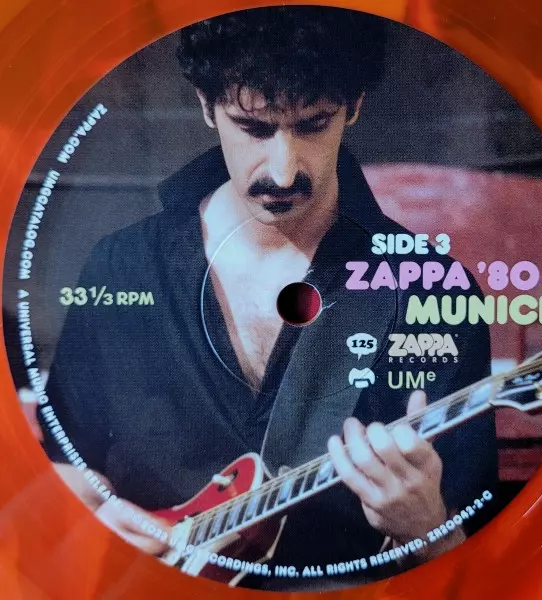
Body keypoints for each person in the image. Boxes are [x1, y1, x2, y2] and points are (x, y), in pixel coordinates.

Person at [41, 7, 498, 591]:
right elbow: (65, 473)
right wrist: (94, 523)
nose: (283, 172)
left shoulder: (429, 289)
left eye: (313, 125)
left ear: (354, 106)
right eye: (253, 128)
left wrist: (428, 528)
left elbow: (492, 573)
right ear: (206, 106)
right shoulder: (122, 265)